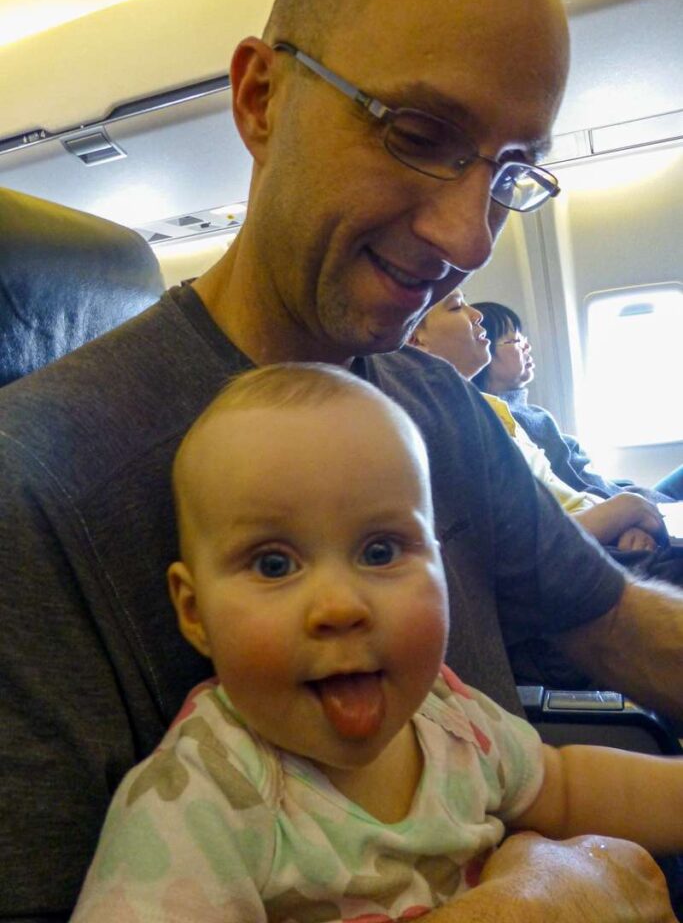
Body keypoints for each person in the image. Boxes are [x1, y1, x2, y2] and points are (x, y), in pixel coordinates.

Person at [1, 0, 682, 920]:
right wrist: (539, 898)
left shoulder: (436, 406)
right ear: (260, 98)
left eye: (507, 174)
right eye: (417, 135)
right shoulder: (33, 494)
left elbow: (613, 623)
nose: (468, 236)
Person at [72, 363, 683, 922]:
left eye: (381, 551)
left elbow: (566, 784)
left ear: (442, 567)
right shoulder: (199, 803)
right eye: (275, 565)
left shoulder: (449, 717)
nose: (340, 606)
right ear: (195, 612)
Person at [410, 288, 671, 554]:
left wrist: (626, 519)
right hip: (585, 554)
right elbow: (518, 547)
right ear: (416, 340)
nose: (476, 314)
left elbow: (567, 497)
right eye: (456, 307)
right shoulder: (446, 429)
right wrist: (627, 510)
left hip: (603, 536)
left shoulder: (488, 408)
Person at [471, 301, 683, 502]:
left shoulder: (527, 413)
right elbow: (575, 488)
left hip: (621, 495)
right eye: (515, 340)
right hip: (620, 506)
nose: (527, 346)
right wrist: (632, 504)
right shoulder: (510, 421)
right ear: (483, 354)